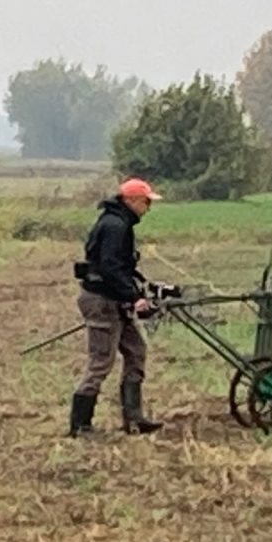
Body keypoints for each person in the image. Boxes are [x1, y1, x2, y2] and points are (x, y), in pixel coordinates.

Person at [69, 178, 164, 437]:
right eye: (146, 202)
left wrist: (139, 287)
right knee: (101, 361)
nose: (148, 208)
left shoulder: (119, 222)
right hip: (102, 300)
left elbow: (121, 266)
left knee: (136, 351)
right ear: (131, 200)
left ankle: (134, 418)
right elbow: (110, 268)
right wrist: (135, 298)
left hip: (114, 298)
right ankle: (80, 425)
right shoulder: (115, 226)